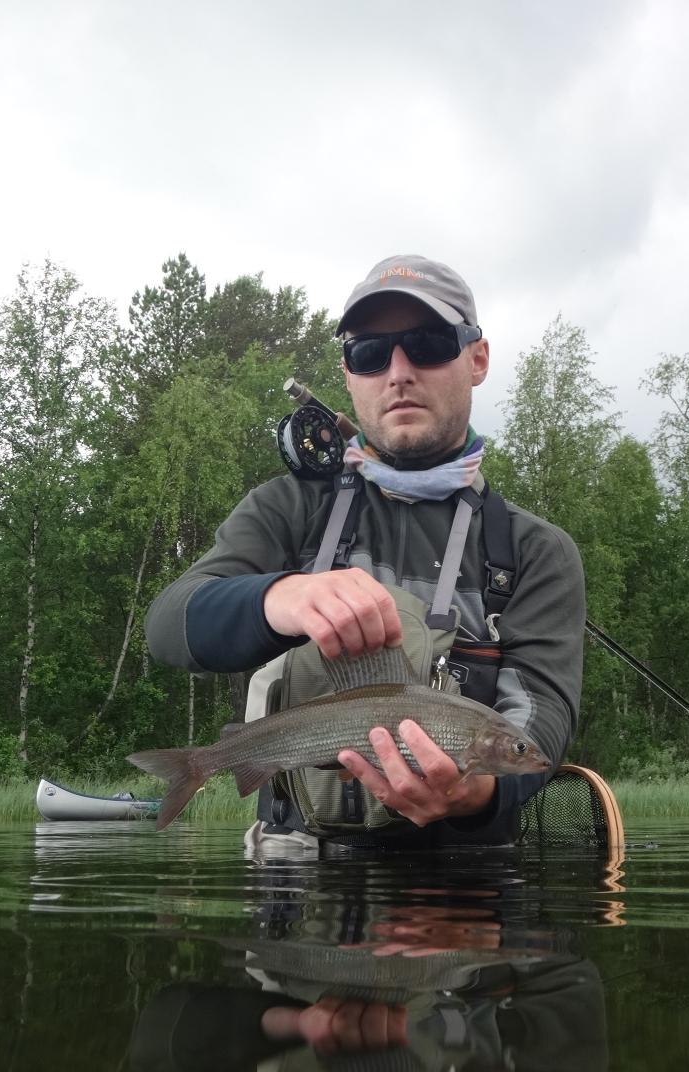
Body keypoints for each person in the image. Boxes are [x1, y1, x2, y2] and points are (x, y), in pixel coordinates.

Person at [144, 254, 585, 846]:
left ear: (477, 359)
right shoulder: (288, 509)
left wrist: (475, 792)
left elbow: (543, 715)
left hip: (469, 874)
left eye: (428, 344)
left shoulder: (534, 551)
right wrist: (280, 598)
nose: (398, 373)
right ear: (349, 375)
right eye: (370, 353)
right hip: (290, 871)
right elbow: (168, 625)